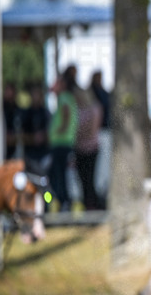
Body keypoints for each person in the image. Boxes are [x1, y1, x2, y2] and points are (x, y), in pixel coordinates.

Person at [48, 66, 79, 212]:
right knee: (59, 175)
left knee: (60, 176)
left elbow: (66, 113)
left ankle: (64, 201)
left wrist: (62, 128)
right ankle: (62, 201)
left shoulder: (65, 97)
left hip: (62, 143)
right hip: (62, 143)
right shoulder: (65, 97)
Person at [74, 83, 104, 210]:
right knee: (82, 181)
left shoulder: (94, 108)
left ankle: (92, 205)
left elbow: (91, 129)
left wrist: (78, 133)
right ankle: (86, 204)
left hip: (91, 148)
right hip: (79, 149)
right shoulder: (77, 110)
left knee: (90, 179)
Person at [20, 81, 51, 167]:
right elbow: (22, 132)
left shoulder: (45, 113)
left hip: (43, 153)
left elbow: (50, 131)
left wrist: (43, 136)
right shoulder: (27, 113)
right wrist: (32, 137)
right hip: (30, 153)